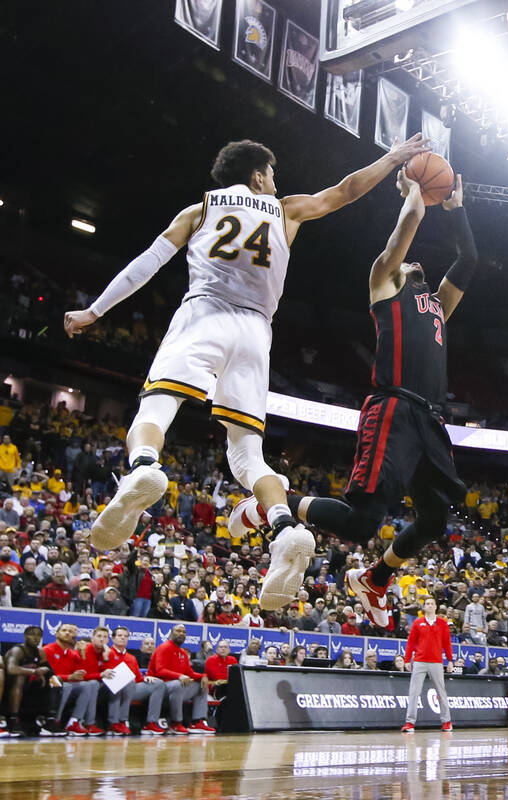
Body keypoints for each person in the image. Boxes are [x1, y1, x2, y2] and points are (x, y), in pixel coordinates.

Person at [62, 134, 430, 615]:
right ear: (259, 176)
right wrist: (393, 158)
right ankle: (283, 526)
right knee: (246, 452)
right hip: (256, 331)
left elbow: (146, 264)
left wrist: (94, 310)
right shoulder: (285, 210)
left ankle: (144, 468)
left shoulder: (200, 210)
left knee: (157, 406)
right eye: (272, 174)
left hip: (204, 314)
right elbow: (346, 191)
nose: (276, 182)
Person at [237, 170, 476, 626]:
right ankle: (272, 503)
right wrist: (413, 195)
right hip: (394, 408)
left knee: (433, 521)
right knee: (361, 523)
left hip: (429, 422)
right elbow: (403, 235)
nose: (416, 263)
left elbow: (469, 258)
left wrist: (458, 210)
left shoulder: (438, 304)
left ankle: (376, 578)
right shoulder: (385, 281)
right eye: (410, 261)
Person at [148, 623, 214, 734]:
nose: (181, 634)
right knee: (178, 685)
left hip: (176, 686)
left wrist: (203, 676)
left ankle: (198, 722)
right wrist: (179, 676)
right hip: (160, 687)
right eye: (178, 631)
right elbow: (160, 671)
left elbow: (190, 673)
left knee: (201, 685)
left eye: (184, 632)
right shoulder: (164, 648)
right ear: (171, 633)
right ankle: (176, 723)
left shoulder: (182, 652)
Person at [101, 626, 168, 735]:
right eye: (119, 636)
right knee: (125, 682)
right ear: (113, 639)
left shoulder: (131, 657)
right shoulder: (107, 653)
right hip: (109, 688)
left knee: (158, 683)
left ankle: (151, 723)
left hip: (131, 688)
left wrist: (145, 678)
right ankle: (116, 723)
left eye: (125, 636)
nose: (122, 638)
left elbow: (138, 678)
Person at [401, 598, 453, 732]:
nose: (429, 606)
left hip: (436, 661)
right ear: (424, 607)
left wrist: (450, 660)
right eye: (427, 604)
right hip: (419, 661)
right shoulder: (418, 623)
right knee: (414, 692)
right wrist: (407, 660)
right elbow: (410, 643)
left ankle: (446, 722)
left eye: (432, 604)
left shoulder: (443, 623)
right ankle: (410, 723)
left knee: (441, 692)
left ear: (436, 607)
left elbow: (447, 643)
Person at [43, 622, 102, 736]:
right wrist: (69, 677)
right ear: (56, 634)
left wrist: (83, 653)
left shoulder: (72, 653)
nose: (67, 633)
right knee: (66, 685)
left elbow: (81, 674)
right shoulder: (48, 649)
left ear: (74, 636)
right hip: (49, 683)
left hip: (65, 683)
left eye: (70, 631)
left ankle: (74, 721)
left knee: (89, 684)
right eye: (64, 630)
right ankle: (54, 720)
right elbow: (49, 676)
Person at [4, 626, 60, 736]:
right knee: (19, 678)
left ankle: (50, 718)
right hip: (10, 686)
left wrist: (44, 669)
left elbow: (48, 669)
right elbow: (11, 669)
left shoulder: (40, 652)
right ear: (25, 636)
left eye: (39, 635)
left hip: (31, 686)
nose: (36, 638)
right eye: (32, 634)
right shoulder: (17, 650)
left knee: (55, 680)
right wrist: (34, 671)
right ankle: (13, 718)